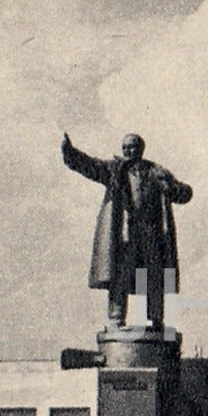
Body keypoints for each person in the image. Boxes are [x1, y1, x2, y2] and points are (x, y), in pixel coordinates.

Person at [61, 132, 193, 332]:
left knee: (154, 277)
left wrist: (172, 188)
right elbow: (89, 166)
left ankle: (155, 319)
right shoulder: (115, 170)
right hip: (125, 234)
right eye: (125, 148)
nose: (128, 151)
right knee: (120, 276)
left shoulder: (157, 172)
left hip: (152, 234)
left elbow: (183, 194)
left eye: (132, 147)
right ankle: (115, 318)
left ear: (141, 148)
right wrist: (69, 152)